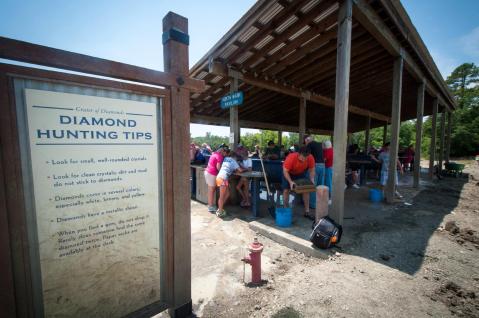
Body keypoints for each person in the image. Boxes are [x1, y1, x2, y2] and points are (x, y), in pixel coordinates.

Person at [282, 146, 315, 220]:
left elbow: (312, 170)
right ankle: (285, 209)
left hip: (300, 173)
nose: (304, 159)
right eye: (303, 157)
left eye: (306, 158)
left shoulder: (310, 157)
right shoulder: (291, 157)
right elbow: (285, 171)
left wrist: (312, 179)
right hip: (288, 173)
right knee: (286, 190)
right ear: (298, 154)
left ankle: (307, 212)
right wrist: (290, 182)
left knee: (306, 190)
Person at [216, 152, 245, 217]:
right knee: (222, 196)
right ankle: (220, 212)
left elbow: (228, 167)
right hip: (223, 178)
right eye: (236, 158)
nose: (237, 159)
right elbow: (240, 170)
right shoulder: (234, 161)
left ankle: (220, 207)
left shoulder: (226, 158)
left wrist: (234, 170)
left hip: (220, 177)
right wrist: (245, 169)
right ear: (234, 157)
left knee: (228, 193)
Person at [304, 135, 325, 210]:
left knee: (312, 186)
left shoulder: (309, 144)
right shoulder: (319, 144)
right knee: (320, 186)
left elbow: (306, 156)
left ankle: (313, 205)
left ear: (307, 140)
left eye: (305, 141)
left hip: (315, 166)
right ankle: (321, 203)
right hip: (322, 166)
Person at [204, 145, 227, 212]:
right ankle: (210, 206)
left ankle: (211, 205)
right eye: (224, 151)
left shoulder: (214, 154)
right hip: (212, 174)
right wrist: (222, 173)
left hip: (208, 172)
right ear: (222, 151)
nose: (225, 153)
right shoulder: (219, 156)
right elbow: (218, 167)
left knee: (211, 190)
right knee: (211, 191)